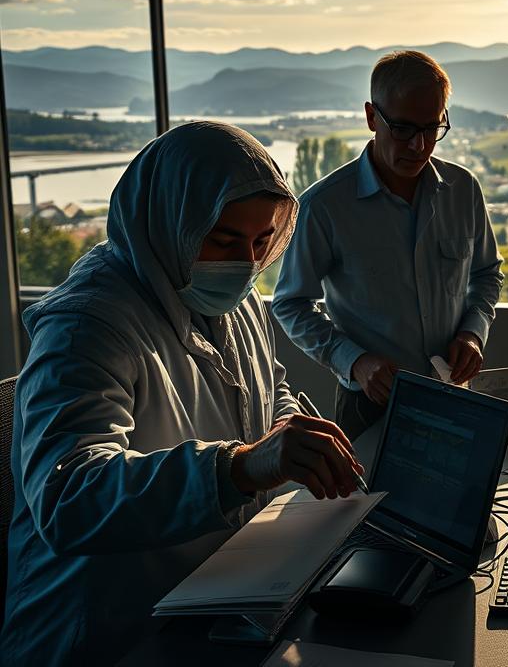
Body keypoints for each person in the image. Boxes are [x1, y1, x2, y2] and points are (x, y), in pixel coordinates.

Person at [0, 122, 362, 667]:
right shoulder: (86, 324)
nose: (244, 261)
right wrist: (236, 468)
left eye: (262, 240)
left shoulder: (229, 299)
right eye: (222, 239)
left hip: (207, 596)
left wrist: (295, 438)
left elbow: (268, 392)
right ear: (172, 220)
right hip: (100, 632)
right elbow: (69, 496)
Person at [273, 51, 504, 438]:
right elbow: (289, 303)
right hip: (368, 404)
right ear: (370, 117)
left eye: (432, 129)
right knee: (369, 502)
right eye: (402, 128)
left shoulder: (464, 190)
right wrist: (354, 361)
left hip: (450, 392)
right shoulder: (326, 206)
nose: (418, 145)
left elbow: (486, 274)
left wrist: (472, 332)